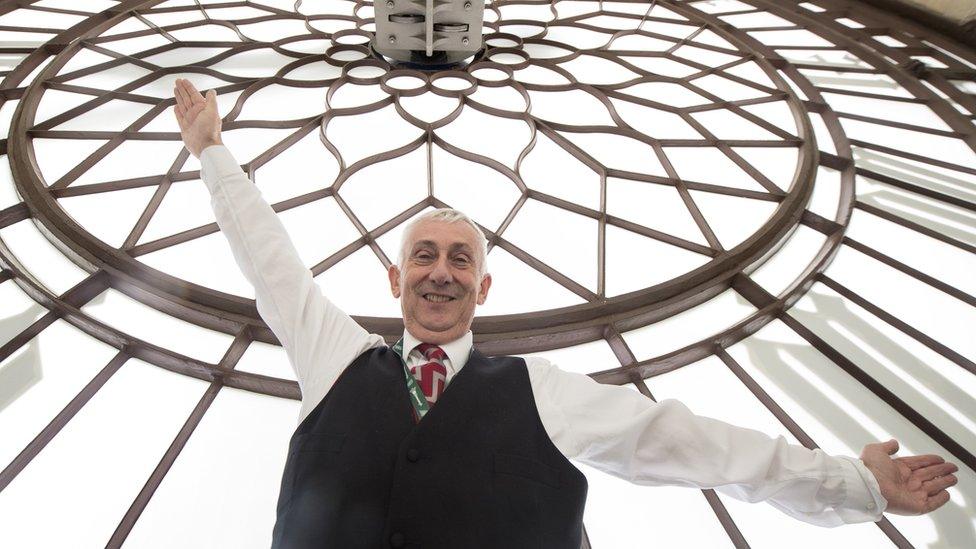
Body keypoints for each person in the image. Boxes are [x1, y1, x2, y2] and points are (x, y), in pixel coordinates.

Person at [172, 78, 958, 548]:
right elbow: (269, 260)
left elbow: (697, 445)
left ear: (483, 289)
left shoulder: (543, 391)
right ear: (394, 280)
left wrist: (855, 482)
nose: (440, 272)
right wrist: (211, 149)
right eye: (424, 256)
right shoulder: (334, 356)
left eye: (459, 260)